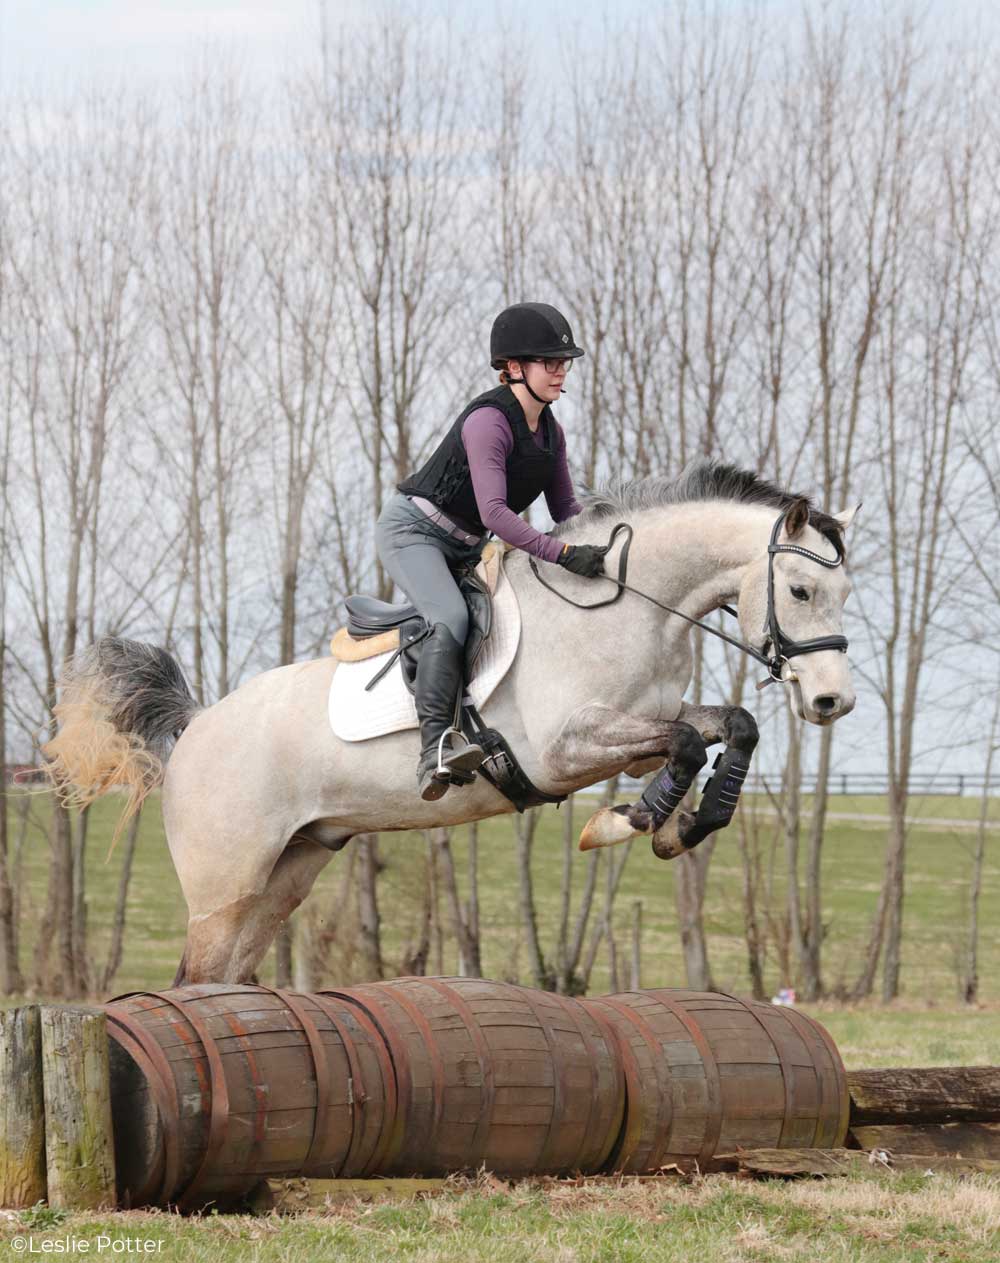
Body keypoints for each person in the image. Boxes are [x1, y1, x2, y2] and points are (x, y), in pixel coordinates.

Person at [375, 301, 610, 801]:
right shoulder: (489, 422)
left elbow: (567, 509)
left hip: (465, 547)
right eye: (550, 361)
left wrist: (604, 542)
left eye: (563, 362)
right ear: (514, 368)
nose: (560, 370)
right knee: (451, 619)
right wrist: (565, 555)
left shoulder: (551, 433)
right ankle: (434, 748)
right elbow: (496, 516)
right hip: (414, 533)